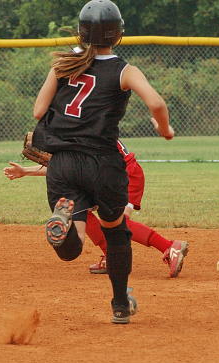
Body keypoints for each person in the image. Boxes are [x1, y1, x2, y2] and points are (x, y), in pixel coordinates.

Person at [31, 0, 174, 324]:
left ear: (81, 33)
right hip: (103, 164)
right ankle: (120, 305)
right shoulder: (125, 70)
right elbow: (156, 103)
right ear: (118, 33)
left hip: (62, 163)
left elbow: (38, 111)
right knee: (116, 232)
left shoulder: (64, 64)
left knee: (73, 247)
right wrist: (165, 129)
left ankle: (62, 225)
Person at [3, 138, 189, 278]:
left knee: (118, 223)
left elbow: (72, 167)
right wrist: (25, 171)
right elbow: (68, 168)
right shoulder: (84, 128)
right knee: (80, 211)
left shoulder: (85, 132)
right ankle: (110, 256)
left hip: (124, 174)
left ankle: (170, 246)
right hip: (106, 174)